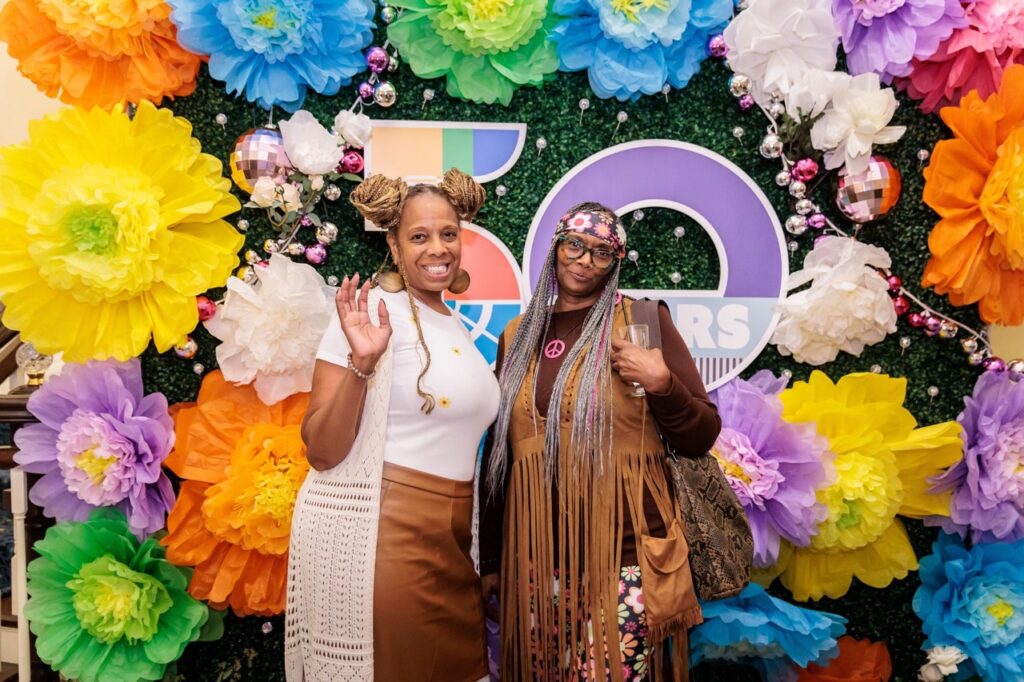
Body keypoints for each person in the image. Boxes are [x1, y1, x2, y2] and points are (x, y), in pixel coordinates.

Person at [480, 202, 722, 681]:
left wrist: (662, 384)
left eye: (601, 252)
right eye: (575, 245)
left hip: (628, 555)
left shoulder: (643, 321)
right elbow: (500, 457)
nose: (585, 260)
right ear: (556, 248)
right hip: (536, 559)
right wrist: (491, 557)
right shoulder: (517, 335)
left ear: (615, 263)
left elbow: (701, 435)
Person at [286, 169, 497, 682]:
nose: (437, 249)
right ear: (395, 248)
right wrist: (362, 364)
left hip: (452, 544)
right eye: (419, 236)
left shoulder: (454, 324)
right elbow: (322, 450)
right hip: (385, 542)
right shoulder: (369, 317)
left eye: (448, 234)